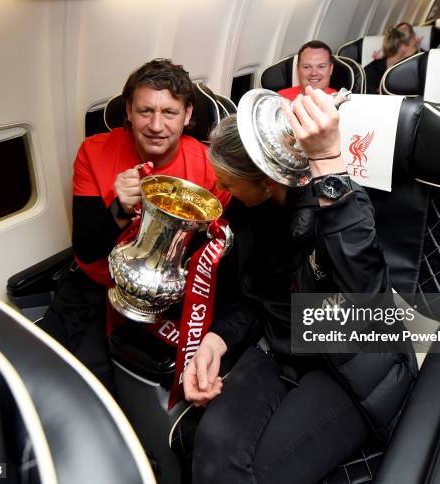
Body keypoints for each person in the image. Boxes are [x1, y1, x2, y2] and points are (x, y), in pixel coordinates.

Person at [183, 88, 417, 484]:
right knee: (211, 451)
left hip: (348, 365)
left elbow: (368, 296)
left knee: (263, 473)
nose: (220, 188)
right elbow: (252, 294)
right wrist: (216, 340)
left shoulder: (334, 210)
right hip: (278, 348)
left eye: (227, 181)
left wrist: (329, 163)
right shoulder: (246, 211)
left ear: (266, 182)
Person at [38, 59, 228, 390]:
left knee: (99, 387)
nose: (156, 125)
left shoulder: (209, 168)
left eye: (169, 113)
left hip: (169, 294)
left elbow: (216, 259)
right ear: (128, 110)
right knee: (45, 369)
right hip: (97, 286)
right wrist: (119, 208)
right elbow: (85, 247)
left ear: (186, 116)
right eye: (145, 111)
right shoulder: (94, 152)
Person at [365, 23, 419, 94]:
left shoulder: (413, 70)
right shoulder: (371, 71)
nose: (416, 49)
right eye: (414, 45)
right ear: (403, 46)